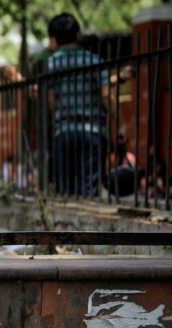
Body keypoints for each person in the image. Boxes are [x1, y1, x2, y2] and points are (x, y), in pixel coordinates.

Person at [46, 13, 108, 197]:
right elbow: (106, 96)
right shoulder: (94, 61)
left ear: (54, 38)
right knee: (89, 189)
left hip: (63, 131)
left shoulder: (50, 64)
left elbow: (51, 101)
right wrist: (118, 123)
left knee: (66, 190)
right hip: (92, 131)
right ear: (78, 34)